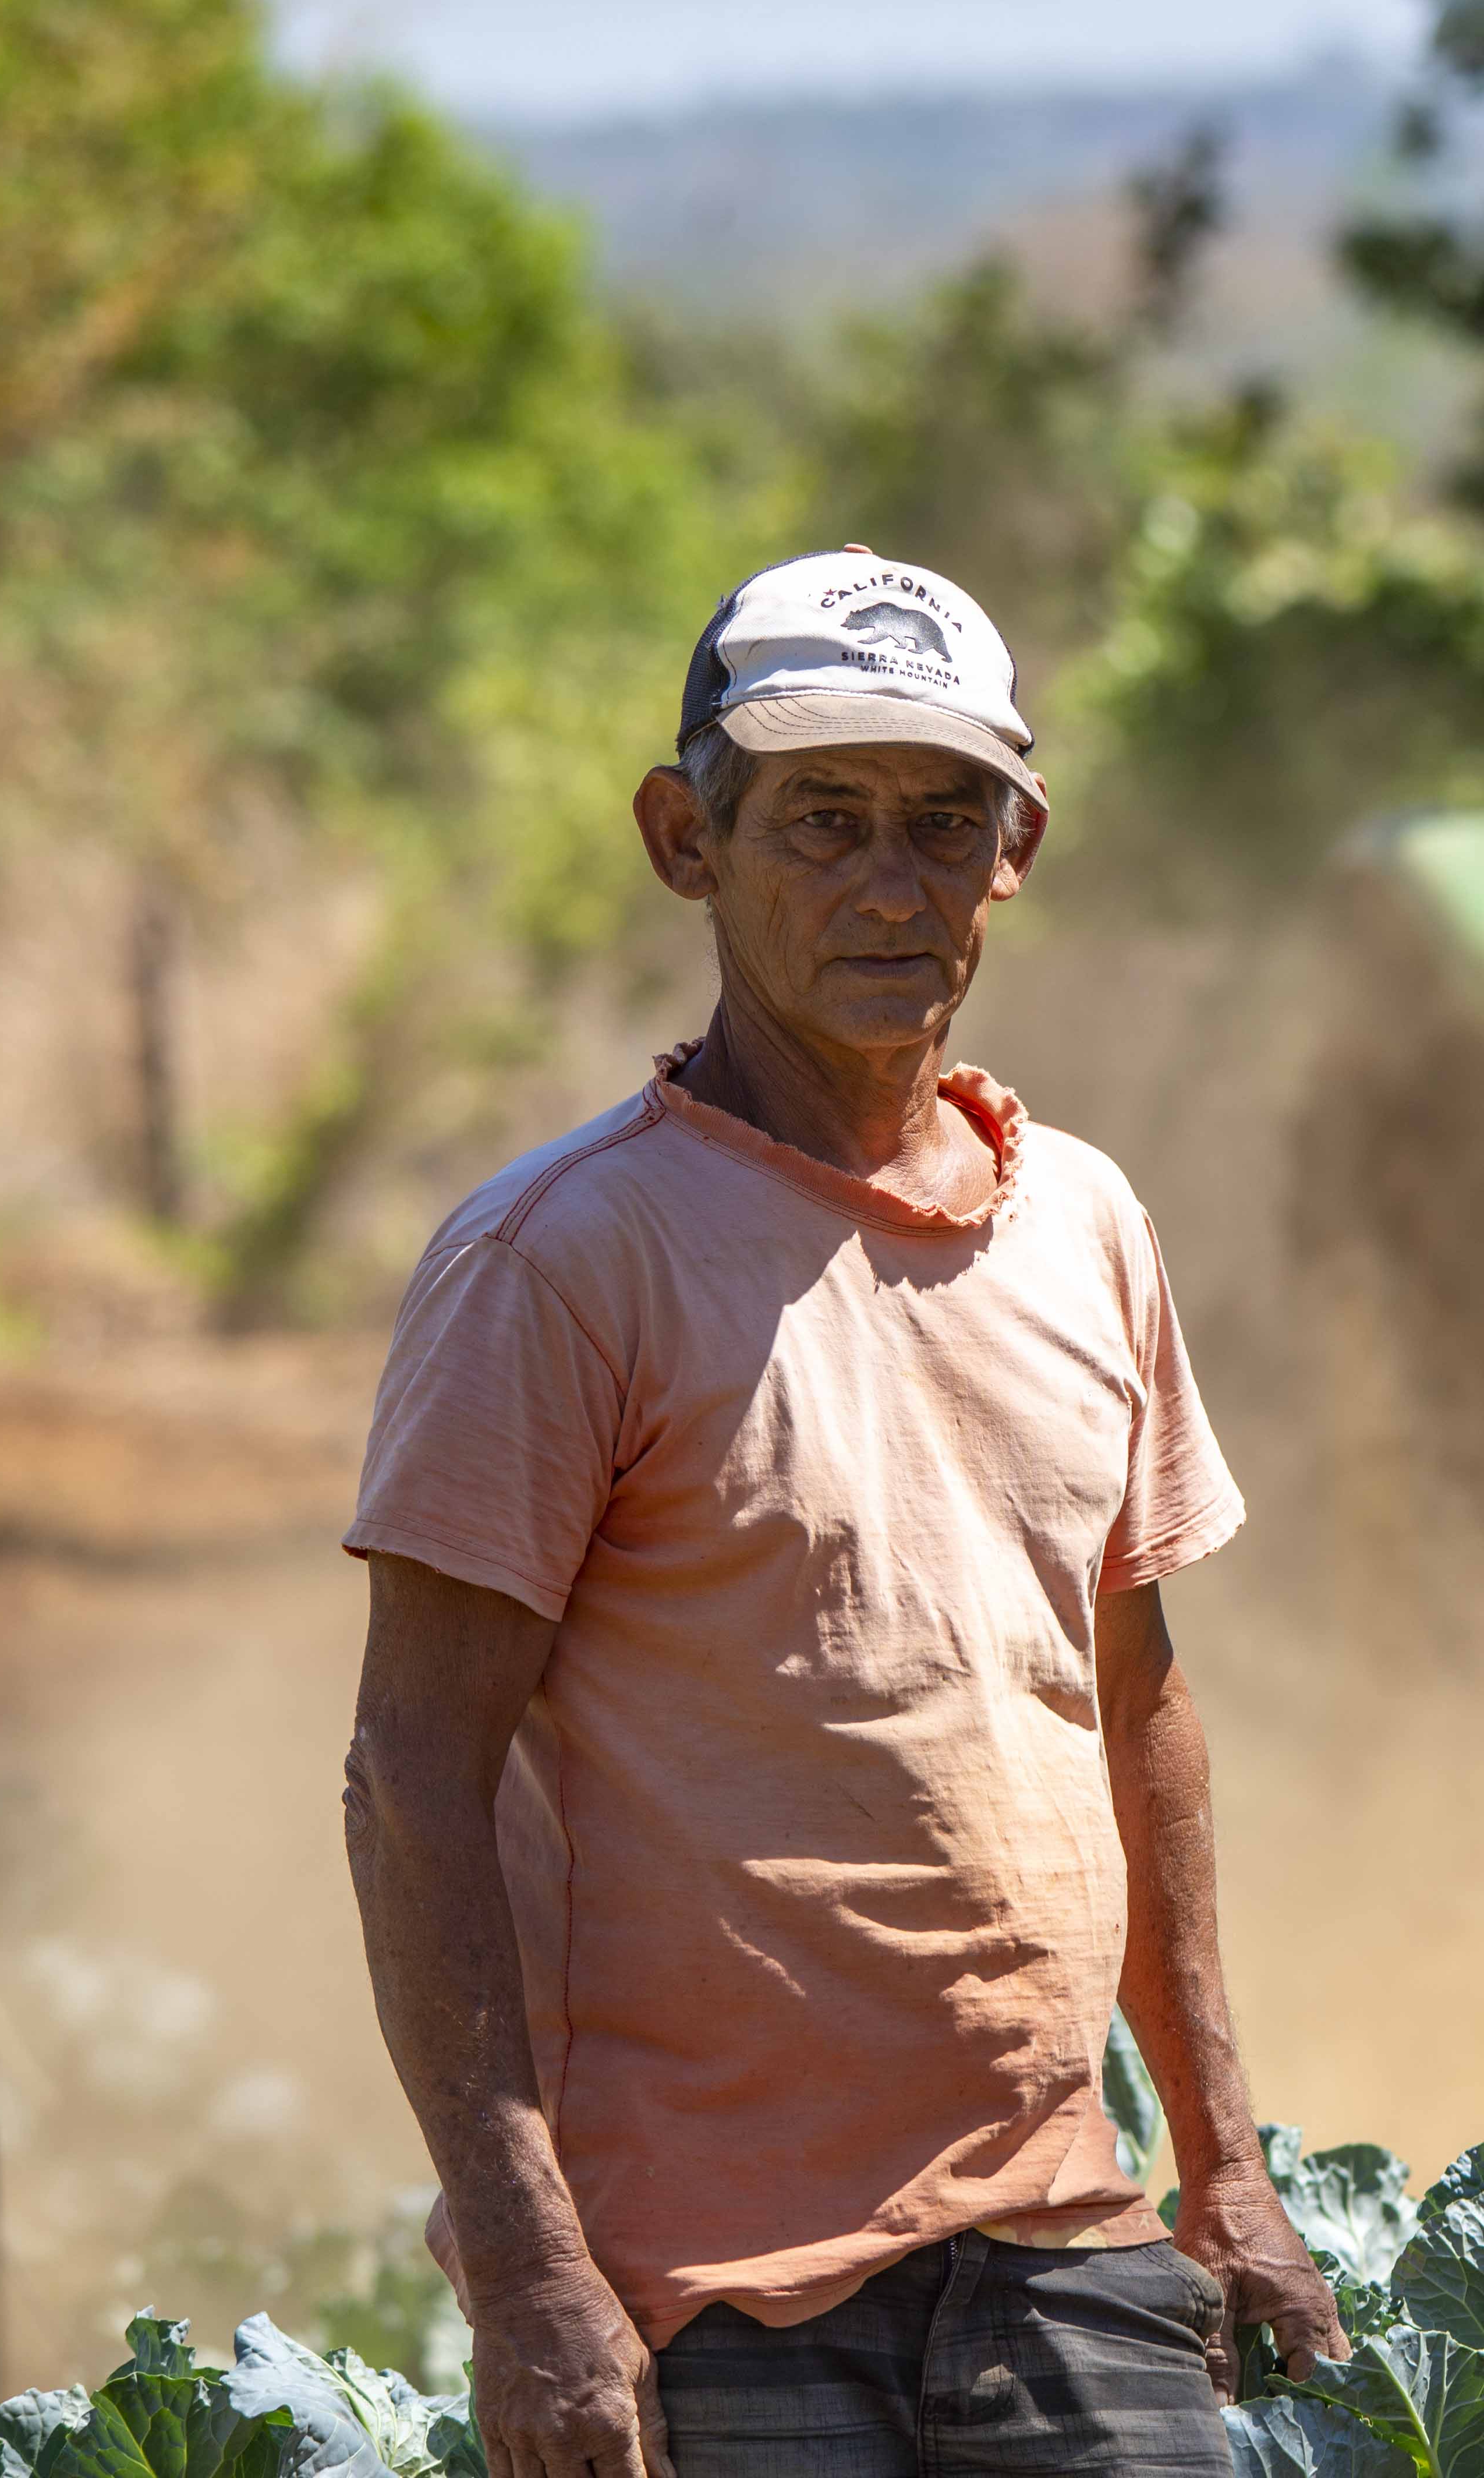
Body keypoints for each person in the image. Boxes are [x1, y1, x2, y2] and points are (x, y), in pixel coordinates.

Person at [338, 546, 1347, 2478]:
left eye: (944, 821)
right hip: (707, 2296)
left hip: (1063, 2243)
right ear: (686, 842)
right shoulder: (565, 1261)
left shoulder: (1084, 1225)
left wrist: (1225, 2166)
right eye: (822, 821)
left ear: (1015, 850)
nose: (893, 886)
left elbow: (1136, 1708)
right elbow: (413, 1777)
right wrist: (533, 2272)